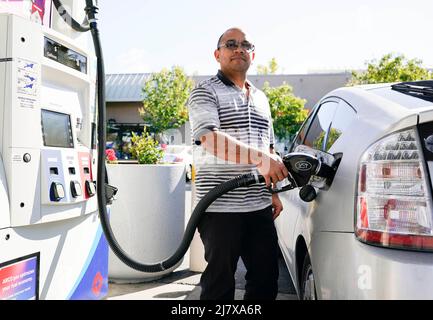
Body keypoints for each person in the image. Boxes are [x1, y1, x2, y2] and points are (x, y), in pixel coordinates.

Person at [187, 27, 289, 300]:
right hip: (220, 208)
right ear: (217, 54)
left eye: (245, 44)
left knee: (266, 280)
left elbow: (267, 145)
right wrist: (260, 158)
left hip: (258, 204)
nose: (239, 49)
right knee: (219, 285)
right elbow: (209, 138)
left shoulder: (261, 98)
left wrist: (273, 193)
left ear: (252, 54)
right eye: (231, 44)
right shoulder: (205, 92)